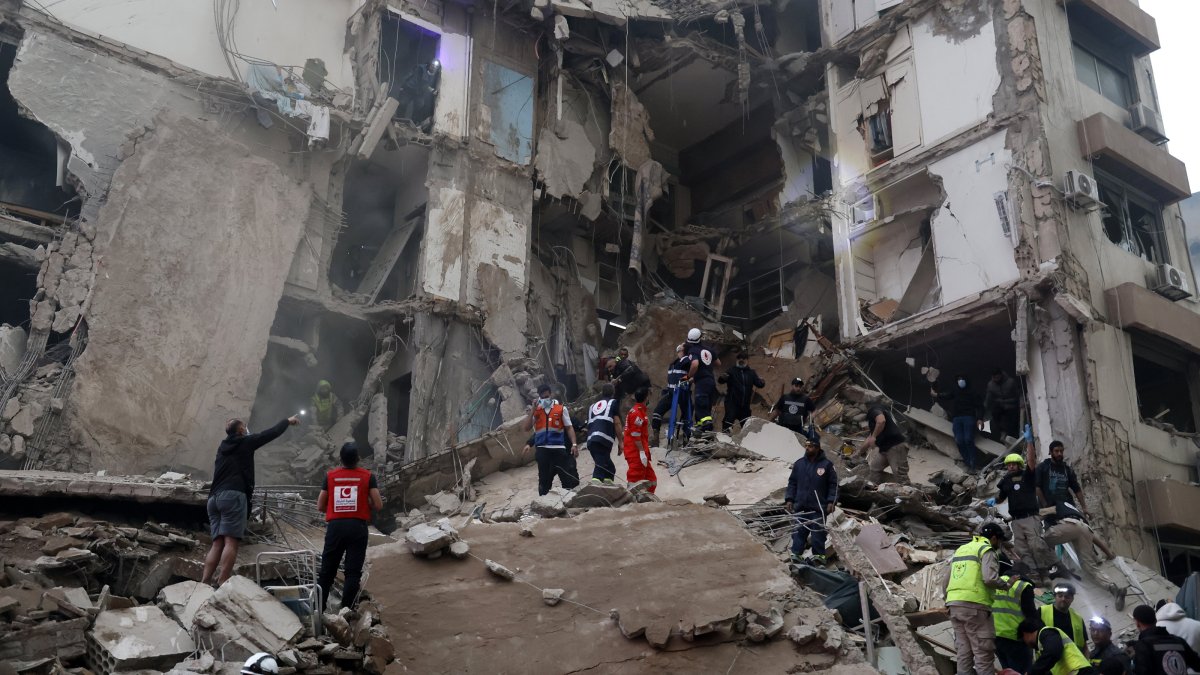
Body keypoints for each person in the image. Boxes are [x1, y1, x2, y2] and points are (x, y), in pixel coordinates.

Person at [201, 415, 299, 587]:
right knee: (231, 541)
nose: (246, 428)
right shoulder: (245, 442)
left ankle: (205, 581)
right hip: (233, 496)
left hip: (214, 498)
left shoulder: (222, 447)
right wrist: (287, 421)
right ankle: (223, 579)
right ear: (240, 430)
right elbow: (271, 433)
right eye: (244, 426)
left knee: (217, 543)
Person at [1037, 441, 1126, 606]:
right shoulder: (1044, 468)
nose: (1059, 454)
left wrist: (1042, 508)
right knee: (1089, 567)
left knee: (1038, 541)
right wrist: (1109, 554)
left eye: (1061, 451)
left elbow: (1075, 489)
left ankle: (1049, 571)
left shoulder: (1060, 499)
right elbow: (1091, 535)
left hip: (1067, 524)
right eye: (1056, 451)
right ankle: (1114, 588)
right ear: (1050, 452)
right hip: (1081, 528)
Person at [316, 443, 382, 611]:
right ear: (358, 459)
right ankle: (346, 612)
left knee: (327, 572)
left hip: (335, 527)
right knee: (352, 572)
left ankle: (318, 610)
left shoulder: (330, 476)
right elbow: (378, 504)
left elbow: (320, 505)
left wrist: (335, 508)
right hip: (357, 527)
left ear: (341, 459)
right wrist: (364, 503)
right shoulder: (368, 476)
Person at [992, 429, 1058, 581]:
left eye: (1014, 464)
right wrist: (993, 501)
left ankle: (1044, 573)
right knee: (1022, 549)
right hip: (1016, 520)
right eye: (1009, 465)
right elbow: (1001, 499)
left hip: (1030, 517)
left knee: (1037, 546)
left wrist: (1029, 442)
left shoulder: (1027, 476)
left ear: (1019, 464)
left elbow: (1032, 461)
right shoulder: (1005, 481)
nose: (1011, 467)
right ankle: (1033, 574)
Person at [946, 522, 1011, 675]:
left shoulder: (961, 549)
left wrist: (948, 601)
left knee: (964, 652)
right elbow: (989, 578)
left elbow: (946, 579)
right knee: (983, 653)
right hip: (975, 606)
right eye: (1000, 541)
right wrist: (1005, 585)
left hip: (954, 605)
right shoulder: (986, 549)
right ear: (994, 538)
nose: (999, 545)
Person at [783, 431, 837, 565]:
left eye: (811, 446)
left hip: (818, 508)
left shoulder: (827, 465)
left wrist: (831, 501)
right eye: (806, 446)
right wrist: (789, 499)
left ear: (818, 448)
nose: (807, 448)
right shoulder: (799, 464)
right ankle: (796, 556)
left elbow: (833, 485)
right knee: (798, 533)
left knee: (818, 534)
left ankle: (819, 558)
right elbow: (792, 483)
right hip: (800, 507)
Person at [524, 383, 580, 496]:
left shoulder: (560, 409)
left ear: (551, 395)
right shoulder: (537, 411)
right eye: (543, 397)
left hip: (558, 448)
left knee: (566, 476)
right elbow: (527, 427)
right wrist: (533, 410)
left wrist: (574, 444)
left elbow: (569, 428)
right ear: (539, 397)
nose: (545, 399)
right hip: (542, 450)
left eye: (547, 396)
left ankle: (569, 499)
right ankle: (543, 502)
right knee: (544, 479)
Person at [931, 374, 984, 471]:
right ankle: (968, 463)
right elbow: (947, 395)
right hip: (957, 418)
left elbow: (980, 406)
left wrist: (980, 418)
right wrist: (937, 395)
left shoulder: (973, 392)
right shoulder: (955, 391)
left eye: (962, 379)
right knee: (959, 440)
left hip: (969, 417)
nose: (961, 381)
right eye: (959, 379)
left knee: (968, 439)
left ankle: (973, 464)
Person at [1132, 604, 1200, 675]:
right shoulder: (1179, 641)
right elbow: (1197, 665)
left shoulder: (1143, 645)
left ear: (1137, 623)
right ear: (1155, 620)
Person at [1019, 618, 1097, 675]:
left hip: (1080, 672)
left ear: (1025, 634)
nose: (1026, 644)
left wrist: (1032, 672)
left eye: (1023, 640)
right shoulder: (1043, 648)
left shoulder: (1046, 633)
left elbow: (1053, 652)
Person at [994, 573, 1038, 673]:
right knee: (1021, 671)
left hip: (996, 636)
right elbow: (1031, 614)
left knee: (1007, 671)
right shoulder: (1023, 586)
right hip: (1016, 638)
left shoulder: (996, 581)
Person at [651, 344, 692, 446]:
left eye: (680, 349)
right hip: (671, 393)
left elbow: (692, 375)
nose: (678, 351)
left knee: (687, 415)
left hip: (682, 393)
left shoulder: (688, 361)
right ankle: (655, 438)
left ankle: (687, 439)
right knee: (657, 412)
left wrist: (682, 381)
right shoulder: (674, 363)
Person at [682, 328, 720, 435]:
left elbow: (694, 364)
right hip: (711, 382)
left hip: (702, 384)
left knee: (701, 407)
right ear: (700, 337)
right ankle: (702, 432)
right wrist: (707, 365)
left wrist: (687, 377)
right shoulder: (709, 349)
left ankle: (707, 428)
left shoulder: (692, 351)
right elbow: (718, 363)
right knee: (705, 408)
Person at [859, 404, 909, 484]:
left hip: (895, 445)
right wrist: (858, 453)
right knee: (874, 469)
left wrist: (874, 436)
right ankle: (874, 490)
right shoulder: (875, 423)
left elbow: (881, 420)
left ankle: (907, 494)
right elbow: (869, 439)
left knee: (899, 474)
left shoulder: (874, 409)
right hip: (884, 449)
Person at [718, 352, 765, 432]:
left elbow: (759, 384)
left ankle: (745, 442)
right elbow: (721, 381)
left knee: (747, 426)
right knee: (728, 423)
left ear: (747, 360)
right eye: (739, 358)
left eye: (743, 359)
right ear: (737, 360)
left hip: (745, 406)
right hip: (732, 403)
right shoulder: (731, 371)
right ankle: (724, 439)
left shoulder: (751, 373)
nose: (741, 360)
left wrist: (762, 382)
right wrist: (722, 378)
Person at [586, 384, 623, 484]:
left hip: (591, 441)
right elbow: (617, 422)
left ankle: (608, 487)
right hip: (603, 440)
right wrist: (621, 442)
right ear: (613, 392)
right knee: (600, 467)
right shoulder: (613, 403)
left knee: (609, 469)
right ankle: (595, 487)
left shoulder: (592, 406)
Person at [622, 388, 656, 492]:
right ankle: (632, 501)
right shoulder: (637, 413)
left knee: (651, 480)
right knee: (635, 479)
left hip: (639, 451)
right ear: (646, 398)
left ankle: (647, 500)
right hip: (635, 452)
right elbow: (635, 434)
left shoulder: (639, 411)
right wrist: (641, 452)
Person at [1042, 583, 1089, 654]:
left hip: (1075, 662)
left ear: (1072, 599)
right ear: (1055, 597)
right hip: (1050, 662)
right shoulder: (1042, 612)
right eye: (1060, 596)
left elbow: (1084, 647)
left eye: (1067, 597)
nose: (1063, 599)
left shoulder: (1078, 618)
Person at [399, 60, 440, 131]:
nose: (433, 67)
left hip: (419, 93)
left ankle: (413, 124)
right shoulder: (420, 69)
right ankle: (399, 121)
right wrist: (431, 90)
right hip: (409, 89)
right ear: (429, 65)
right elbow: (421, 82)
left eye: (436, 67)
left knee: (419, 105)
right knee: (403, 103)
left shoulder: (436, 75)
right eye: (433, 65)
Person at [985, 368, 1021, 441]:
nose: (996, 379)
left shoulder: (1010, 382)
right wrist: (985, 407)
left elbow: (1018, 395)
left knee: (1012, 423)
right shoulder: (991, 385)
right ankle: (1002, 431)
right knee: (995, 413)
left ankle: (1014, 438)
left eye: (997, 377)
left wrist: (1020, 403)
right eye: (994, 378)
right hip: (1000, 405)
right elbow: (988, 398)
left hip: (1011, 404)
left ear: (1001, 375)